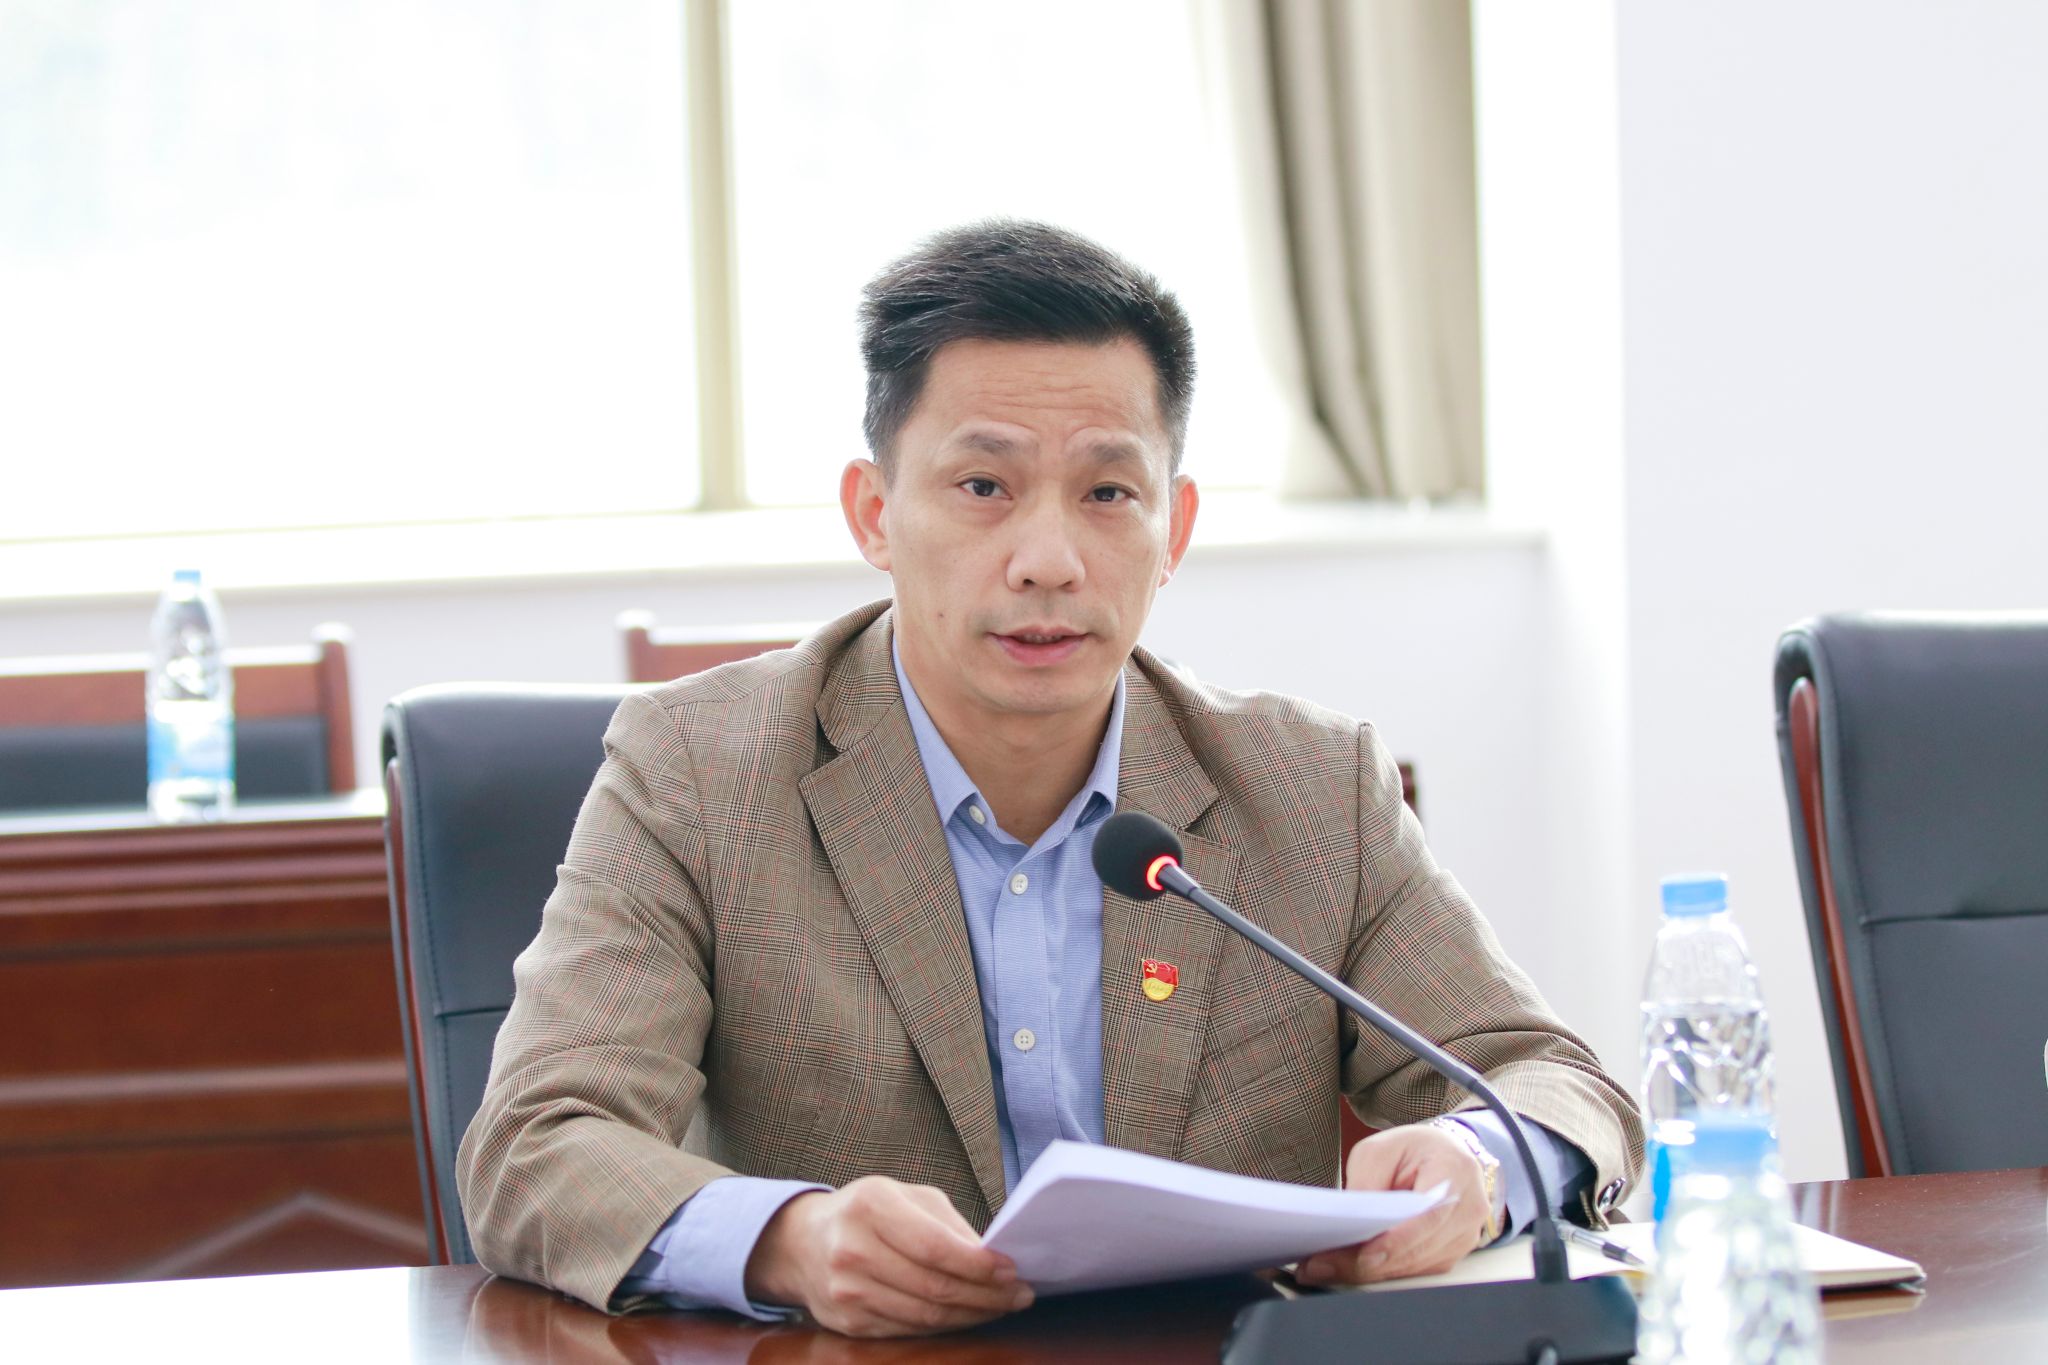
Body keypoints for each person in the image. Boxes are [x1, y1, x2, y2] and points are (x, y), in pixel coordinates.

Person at [457, 219, 1643, 1338]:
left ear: (1173, 530)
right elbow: (535, 1145)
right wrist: (791, 1241)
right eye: (983, 487)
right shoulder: (698, 770)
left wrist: (1473, 1167)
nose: (1047, 560)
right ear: (874, 514)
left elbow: (1551, 1080)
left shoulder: (1308, 787)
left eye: (1106, 493)